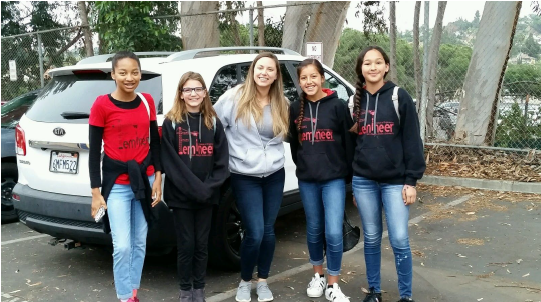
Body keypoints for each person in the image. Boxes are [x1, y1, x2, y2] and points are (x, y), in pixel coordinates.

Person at [349, 46, 426, 302]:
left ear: (386, 67)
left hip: (395, 182)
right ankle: (374, 291)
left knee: (399, 239)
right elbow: (350, 146)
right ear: (361, 68)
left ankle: (406, 296)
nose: (372, 67)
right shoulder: (353, 101)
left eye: (378, 62)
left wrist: (411, 181)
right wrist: (353, 183)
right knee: (371, 238)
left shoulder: (398, 96)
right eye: (367, 63)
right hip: (364, 181)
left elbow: (412, 140)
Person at [214, 52, 289, 302]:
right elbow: (213, 124)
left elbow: (290, 134)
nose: (264, 73)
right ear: (253, 70)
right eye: (260, 68)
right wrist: (224, 157)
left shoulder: (281, 102)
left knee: (268, 231)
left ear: (276, 75)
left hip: (274, 174)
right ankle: (245, 282)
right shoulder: (234, 97)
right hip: (245, 175)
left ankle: (263, 281)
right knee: (254, 232)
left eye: (270, 69)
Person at [88, 51, 162, 302]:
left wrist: (159, 179)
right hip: (117, 185)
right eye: (123, 72)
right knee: (122, 246)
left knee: (140, 243)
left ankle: (133, 293)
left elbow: (156, 144)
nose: (129, 78)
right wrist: (96, 193)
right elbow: (93, 152)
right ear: (113, 75)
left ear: (140, 73)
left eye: (135, 72)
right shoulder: (102, 105)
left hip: (145, 181)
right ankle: (123, 296)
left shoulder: (146, 100)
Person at [288, 58, 355, 302]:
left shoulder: (337, 106)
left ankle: (334, 283)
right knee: (314, 229)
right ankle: (318, 276)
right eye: (304, 78)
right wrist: (307, 166)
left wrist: (349, 178)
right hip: (308, 180)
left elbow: (349, 145)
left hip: (334, 179)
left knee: (334, 232)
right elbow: (297, 146)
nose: (309, 81)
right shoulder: (295, 108)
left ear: (322, 78)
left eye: (313, 76)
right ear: (300, 81)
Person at [160, 72, 229, 302]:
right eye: (188, 90)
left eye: (198, 89)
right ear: (181, 94)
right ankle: (185, 290)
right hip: (182, 197)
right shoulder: (171, 122)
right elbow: (170, 162)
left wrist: (208, 188)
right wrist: (196, 190)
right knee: (186, 244)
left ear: (205, 92)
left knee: (202, 244)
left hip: (207, 196)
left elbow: (222, 162)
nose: (193, 94)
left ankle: (199, 289)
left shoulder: (213, 122)